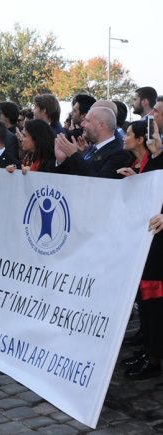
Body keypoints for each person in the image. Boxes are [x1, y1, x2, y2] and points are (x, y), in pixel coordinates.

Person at [117, 121, 163, 379]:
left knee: (154, 302)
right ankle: (150, 351)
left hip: (158, 241)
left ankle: (154, 356)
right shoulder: (155, 157)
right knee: (147, 300)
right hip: (151, 239)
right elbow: (156, 186)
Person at [54, 107, 133, 178]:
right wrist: (61, 160)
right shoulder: (91, 148)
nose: (82, 124)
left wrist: (74, 154)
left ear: (101, 125)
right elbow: (73, 174)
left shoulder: (119, 154)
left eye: (87, 121)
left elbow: (98, 181)